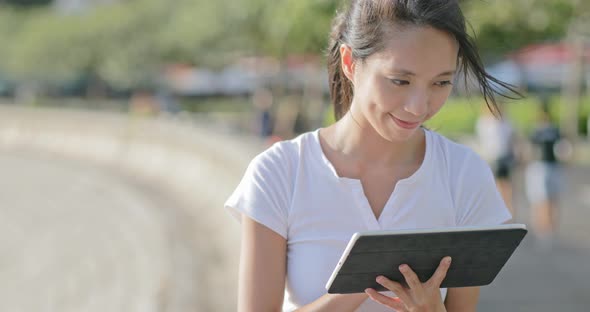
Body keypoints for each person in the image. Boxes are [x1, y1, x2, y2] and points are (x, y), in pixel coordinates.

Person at [225, 1, 519, 311]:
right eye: (400, 81)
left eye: (441, 82)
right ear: (350, 62)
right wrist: (364, 281)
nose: (419, 107)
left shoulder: (464, 175)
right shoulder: (279, 172)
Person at [525, 105, 563, 247]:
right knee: (541, 199)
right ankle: (541, 229)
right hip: (539, 167)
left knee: (553, 198)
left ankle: (551, 228)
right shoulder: (536, 131)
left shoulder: (555, 130)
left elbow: (563, 148)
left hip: (553, 166)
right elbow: (529, 149)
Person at [475, 104, 517, 215]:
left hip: (500, 156)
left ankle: (506, 208)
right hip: (494, 156)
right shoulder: (488, 122)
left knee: (503, 185)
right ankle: (504, 209)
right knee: (500, 185)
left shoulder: (499, 122)